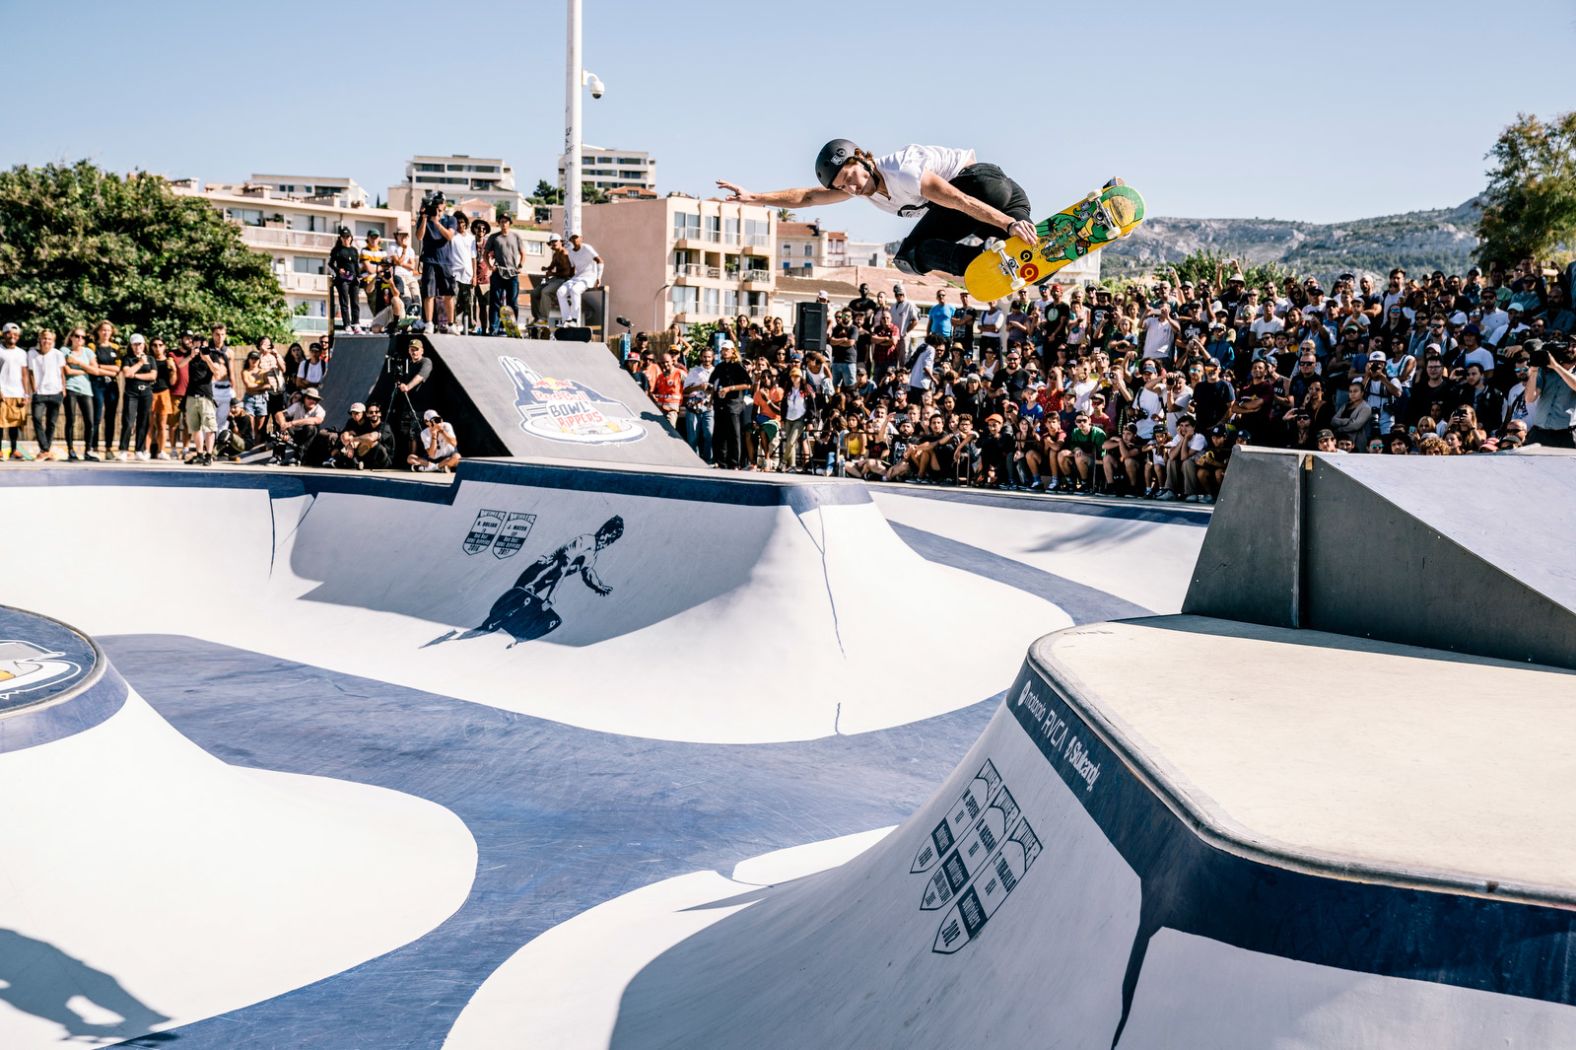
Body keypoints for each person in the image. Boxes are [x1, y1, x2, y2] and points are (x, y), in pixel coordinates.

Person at [718, 140, 1036, 279]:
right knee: (1031, 263)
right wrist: (754, 197)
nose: (851, 188)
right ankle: (1024, 245)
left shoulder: (904, 172)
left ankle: (981, 264)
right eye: (842, 187)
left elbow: (960, 201)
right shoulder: (862, 190)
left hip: (980, 186)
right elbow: (807, 198)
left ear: (861, 159)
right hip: (1004, 197)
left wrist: (1007, 224)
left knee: (909, 255)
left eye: (850, 178)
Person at [1523, 339, 1576, 448]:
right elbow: (1529, 398)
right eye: (1568, 345)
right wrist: (1533, 371)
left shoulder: (1556, 367)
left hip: (1566, 435)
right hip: (1539, 433)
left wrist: (1556, 366)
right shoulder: (1545, 370)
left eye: (1574, 346)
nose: (1570, 349)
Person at [416, 192, 457, 329]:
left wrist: (437, 223)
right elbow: (419, 236)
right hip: (429, 260)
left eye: (440, 202)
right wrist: (424, 219)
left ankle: (451, 324)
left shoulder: (450, 219)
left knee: (448, 293)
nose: (438, 205)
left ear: (444, 204)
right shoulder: (425, 218)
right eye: (435, 202)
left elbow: (450, 236)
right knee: (429, 293)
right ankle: (428, 323)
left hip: (445, 261)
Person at [183, 334, 227, 465]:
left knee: (209, 427)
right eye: (196, 346)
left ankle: (209, 455)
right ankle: (199, 454)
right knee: (195, 428)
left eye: (201, 345)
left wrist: (206, 358)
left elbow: (217, 372)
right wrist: (191, 355)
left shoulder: (212, 356)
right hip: (191, 395)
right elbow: (180, 365)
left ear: (206, 344)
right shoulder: (190, 356)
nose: (198, 348)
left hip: (206, 395)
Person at [710, 339, 752, 469]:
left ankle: (734, 462)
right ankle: (720, 461)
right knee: (719, 434)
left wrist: (730, 389)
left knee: (734, 434)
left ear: (733, 351)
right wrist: (711, 397)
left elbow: (748, 384)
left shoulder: (738, 366)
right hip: (720, 404)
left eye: (727, 350)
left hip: (734, 404)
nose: (724, 352)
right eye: (723, 350)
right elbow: (713, 384)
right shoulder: (719, 367)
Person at [26, 328, 65, 461]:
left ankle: (45, 450)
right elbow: (30, 372)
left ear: (53, 341)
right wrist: (34, 388)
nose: (46, 341)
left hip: (55, 392)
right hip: (40, 393)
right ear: (40, 339)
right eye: (44, 338)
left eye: (49, 338)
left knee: (51, 423)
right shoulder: (31, 353)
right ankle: (45, 449)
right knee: (36, 418)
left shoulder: (58, 354)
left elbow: (61, 373)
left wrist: (63, 388)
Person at [116, 334, 156, 460]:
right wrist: (140, 363)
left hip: (146, 393)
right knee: (128, 421)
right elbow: (127, 373)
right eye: (135, 344)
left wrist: (136, 375)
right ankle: (123, 450)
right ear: (131, 346)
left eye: (140, 344)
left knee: (143, 422)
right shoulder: (128, 358)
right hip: (131, 393)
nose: (138, 346)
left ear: (144, 345)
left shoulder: (150, 358)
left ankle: (139, 450)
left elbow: (153, 376)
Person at [61, 328, 97, 461]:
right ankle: (70, 450)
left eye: (83, 337)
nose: (80, 339)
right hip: (71, 388)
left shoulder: (88, 352)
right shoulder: (64, 351)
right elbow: (68, 371)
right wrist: (85, 370)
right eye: (77, 336)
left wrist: (78, 363)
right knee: (71, 420)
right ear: (71, 337)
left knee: (90, 421)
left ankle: (88, 451)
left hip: (86, 389)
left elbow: (96, 370)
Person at [556, 231, 603, 326]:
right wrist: (569, 280)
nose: (575, 240)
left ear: (581, 238)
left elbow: (600, 261)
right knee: (560, 292)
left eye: (577, 237)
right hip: (577, 277)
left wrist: (598, 277)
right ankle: (567, 320)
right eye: (573, 238)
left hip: (589, 277)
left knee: (575, 290)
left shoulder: (587, 248)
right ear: (570, 240)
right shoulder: (571, 253)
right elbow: (572, 269)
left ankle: (575, 320)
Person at [0, 323, 31, 460]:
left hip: (17, 392)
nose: (12, 336)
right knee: (0, 424)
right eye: (9, 333)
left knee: (14, 425)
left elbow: (24, 374)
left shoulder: (22, 353)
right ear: (4, 334)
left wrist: (26, 393)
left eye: (15, 334)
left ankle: (14, 450)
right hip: (3, 392)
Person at [683, 345, 715, 462]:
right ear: (701, 357)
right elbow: (685, 389)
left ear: (713, 358)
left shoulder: (716, 371)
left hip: (709, 406)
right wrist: (699, 386)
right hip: (694, 406)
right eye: (704, 357)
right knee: (693, 437)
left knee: (709, 434)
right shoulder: (694, 371)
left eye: (709, 357)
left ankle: (708, 460)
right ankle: (693, 460)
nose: (707, 359)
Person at [532, 233, 572, 327]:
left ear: (560, 242)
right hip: (556, 278)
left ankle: (544, 319)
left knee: (545, 292)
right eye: (551, 242)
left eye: (555, 241)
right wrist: (546, 269)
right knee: (535, 293)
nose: (553, 244)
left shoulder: (564, 254)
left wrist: (552, 273)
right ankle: (538, 318)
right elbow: (552, 266)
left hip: (565, 280)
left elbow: (567, 273)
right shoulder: (555, 255)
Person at [329, 226, 363, 330]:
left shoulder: (354, 251)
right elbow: (330, 263)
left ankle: (356, 323)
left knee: (355, 302)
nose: (346, 239)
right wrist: (338, 270)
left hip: (353, 278)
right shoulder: (337, 250)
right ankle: (347, 324)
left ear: (351, 238)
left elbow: (356, 265)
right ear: (340, 238)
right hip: (343, 279)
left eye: (348, 236)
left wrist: (359, 276)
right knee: (344, 302)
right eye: (344, 237)